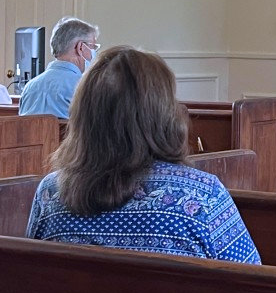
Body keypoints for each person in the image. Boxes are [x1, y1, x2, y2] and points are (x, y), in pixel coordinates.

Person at [26, 46, 261, 263]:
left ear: (83, 117)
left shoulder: (50, 193)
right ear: (165, 114)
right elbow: (251, 282)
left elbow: (32, 274)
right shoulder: (204, 195)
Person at [19, 17, 99, 119]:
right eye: (93, 47)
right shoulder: (84, 87)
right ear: (80, 47)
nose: (94, 53)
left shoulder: (29, 87)